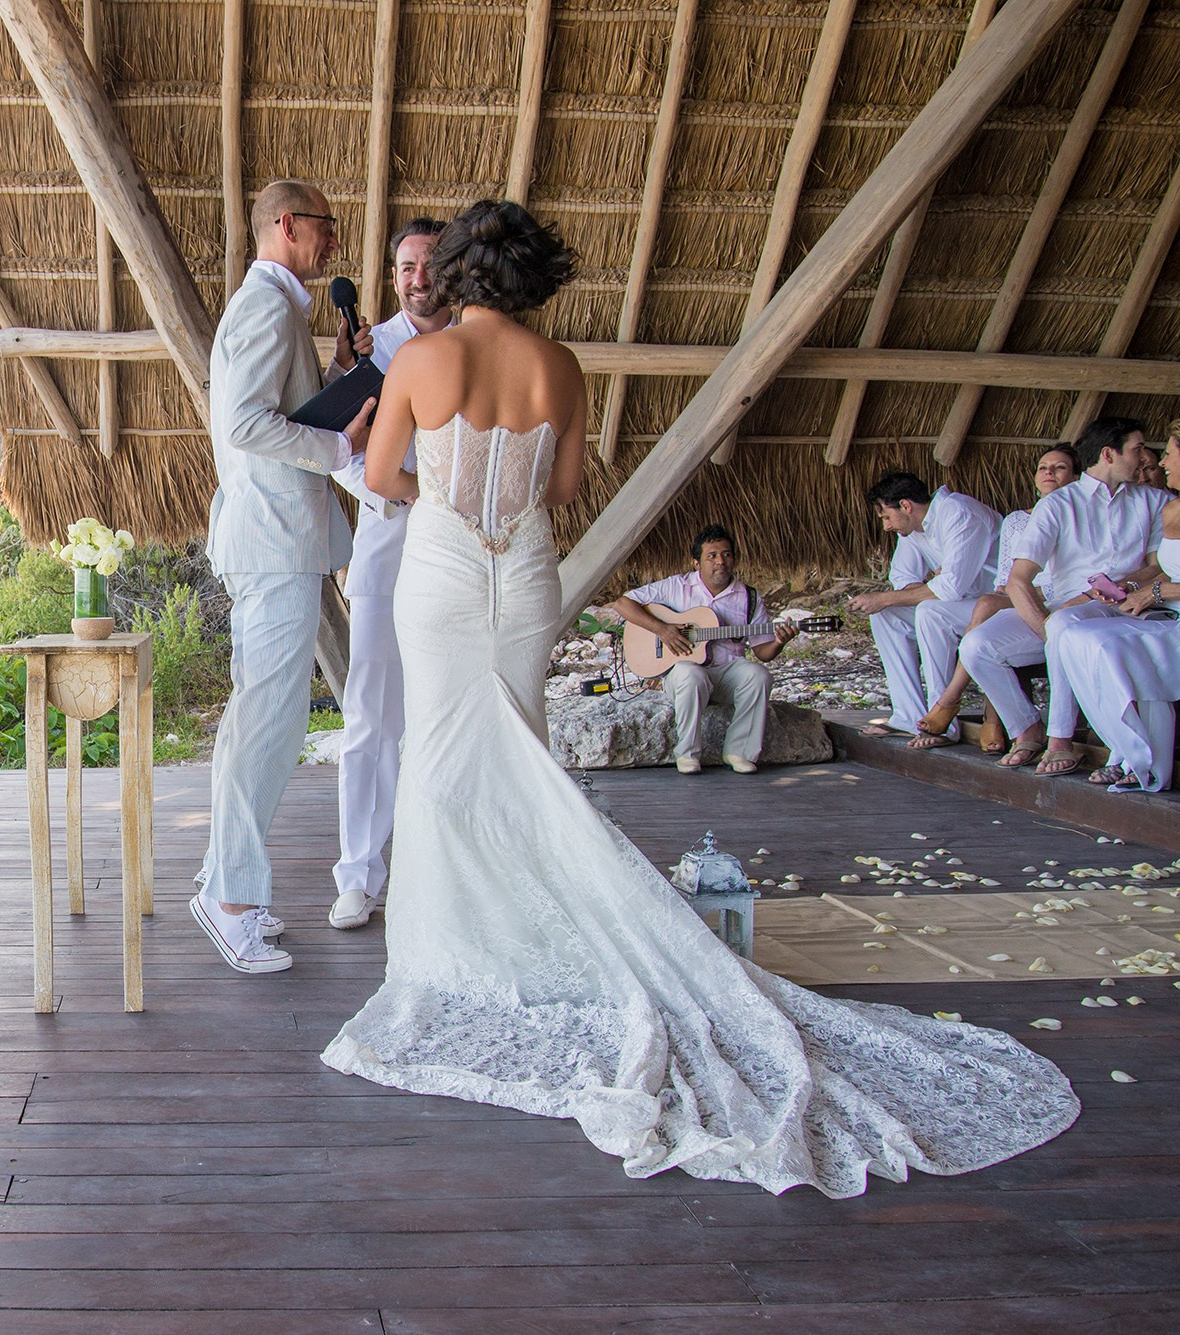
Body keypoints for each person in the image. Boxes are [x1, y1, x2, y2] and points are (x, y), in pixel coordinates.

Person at [321, 198, 1077, 1198]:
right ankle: (536, 928)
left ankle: (455, 946)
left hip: (445, 573)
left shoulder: (418, 362)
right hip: (525, 578)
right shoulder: (560, 369)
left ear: (456, 273)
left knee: (446, 756)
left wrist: (404, 455)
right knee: (522, 750)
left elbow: (381, 477)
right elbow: (559, 491)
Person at [189, 179, 378, 975]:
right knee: (269, 725)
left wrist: (336, 380)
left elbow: (279, 409)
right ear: (289, 226)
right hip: (272, 541)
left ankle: (223, 879)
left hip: (267, 539)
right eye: (327, 228)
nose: (334, 242)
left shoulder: (276, 309)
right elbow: (243, 424)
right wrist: (340, 449)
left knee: (255, 722)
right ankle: (230, 899)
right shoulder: (266, 306)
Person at [328, 218, 451, 931]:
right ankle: (359, 876)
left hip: (456, 555)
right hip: (384, 547)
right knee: (370, 714)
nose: (417, 276)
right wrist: (400, 488)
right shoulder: (369, 354)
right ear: (393, 275)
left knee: (443, 711)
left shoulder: (472, 345)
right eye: (406, 265)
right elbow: (342, 453)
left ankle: (436, 870)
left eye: (429, 263)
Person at [959, 417, 1167, 776]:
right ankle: (1027, 727)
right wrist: (1045, 631)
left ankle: (1060, 741)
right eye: (1136, 449)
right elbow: (1018, 580)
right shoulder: (1058, 505)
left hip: (1122, 608)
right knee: (977, 645)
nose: (1146, 458)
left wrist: (1121, 585)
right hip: (1064, 609)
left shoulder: (1153, 501)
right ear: (1109, 454)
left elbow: (1157, 567)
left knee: (1065, 625)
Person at [913, 445, 1080, 752]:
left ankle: (953, 702)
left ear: (1077, 477)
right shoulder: (1017, 520)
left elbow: (1069, 579)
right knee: (978, 605)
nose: (1049, 473)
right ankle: (987, 715)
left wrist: (1021, 591)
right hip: (1018, 597)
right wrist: (1012, 591)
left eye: (1059, 468)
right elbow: (1005, 578)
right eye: (1043, 468)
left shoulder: (1078, 519)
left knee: (987, 606)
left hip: (1056, 601)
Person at [1052, 422, 1180, 792]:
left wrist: (1153, 593)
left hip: (1168, 613)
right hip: (1168, 613)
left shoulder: (1159, 504)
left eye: (1169, 453)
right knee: (1075, 635)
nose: (1159, 461)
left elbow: (1163, 581)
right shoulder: (1171, 509)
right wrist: (1135, 588)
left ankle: (1140, 761)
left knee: (1109, 645)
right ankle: (1126, 749)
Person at [611, 525, 797, 774]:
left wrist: (779, 641)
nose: (721, 561)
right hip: (684, 675)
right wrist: (662, 629)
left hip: (728, 672)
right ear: (696, 563)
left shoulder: (749, 597)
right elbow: (623, 603)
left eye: (727, 554)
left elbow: (763, 651)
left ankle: (739, 752)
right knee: (691, 673)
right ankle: (687, 754)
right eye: (712, 555)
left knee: (758, 675)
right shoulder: (675, 587)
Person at [848, 472, 1000, 748]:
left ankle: (943, 722)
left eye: (885, 517)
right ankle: (908, 715)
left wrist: (895, 595)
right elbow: (902, 580)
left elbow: (951, 588)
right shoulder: (913, 529)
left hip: (997, 607)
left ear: (905, 506)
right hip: (961, 605)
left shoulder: (959, 513)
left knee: (930, 611)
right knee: (886, 614)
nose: (886, 526)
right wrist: (895, 597)